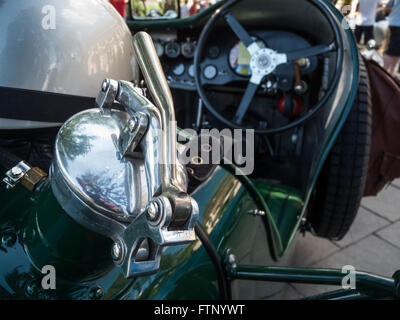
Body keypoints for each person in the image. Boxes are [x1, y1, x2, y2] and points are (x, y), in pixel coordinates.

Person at [384, 0, 400, 76]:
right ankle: (386, 74)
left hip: (393, 22)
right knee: (391, 51)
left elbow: (387, 8)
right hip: (396, 24)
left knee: (395, 51)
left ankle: (390, 74)